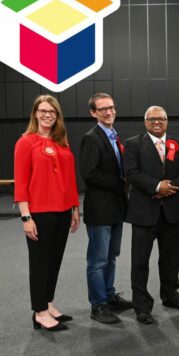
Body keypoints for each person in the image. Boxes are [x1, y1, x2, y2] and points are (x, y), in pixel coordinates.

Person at [14, 95, 80, 331]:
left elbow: (70, 179)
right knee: (40, 262)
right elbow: (21, 183)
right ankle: (39, 311)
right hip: (39, 213)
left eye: (52, 111)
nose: (47, 115)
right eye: (42, 111)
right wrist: (26, 217)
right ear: (35, 113)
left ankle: (48, 303)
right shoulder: (26, 142)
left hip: (63, 210)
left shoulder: (62, 142)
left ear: (57, 115)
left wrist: (74, 208)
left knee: (54, 261)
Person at [124, 106, 179, 325]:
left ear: (167, 121)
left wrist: (172, 187)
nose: (156, 122)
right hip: (144, 213)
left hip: (170, 212)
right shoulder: (133, 144)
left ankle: (170, 295)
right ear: (145, 122)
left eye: (161, 118)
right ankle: (141, 306)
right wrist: (156, 186)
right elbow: (131, 173)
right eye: (152, 119)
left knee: (171, 258)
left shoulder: (177, 144)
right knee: (140, 262)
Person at [80, 93, 132, 324]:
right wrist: (122, 184)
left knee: (112, 257)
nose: (108, 112)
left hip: (116, 209)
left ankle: (110, 297)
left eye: (111, 108)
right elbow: (89, 175)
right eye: (102, 109)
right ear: (94, 113)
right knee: (98, 260)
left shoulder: (114, 136)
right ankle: (98, 305)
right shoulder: (92, 138)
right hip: (100, 210)